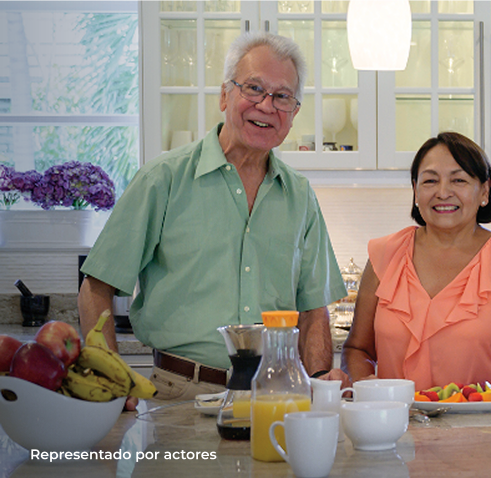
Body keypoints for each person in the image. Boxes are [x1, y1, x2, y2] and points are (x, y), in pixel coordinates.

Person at [79, 32, 346, 407]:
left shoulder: (300, 196)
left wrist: (318, 377)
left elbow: (314, 309)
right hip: (180, 393)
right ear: (225, 96)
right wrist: (109, 375)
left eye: (282, 96)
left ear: (294, 112)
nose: (266, 106)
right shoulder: (164, 179)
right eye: (253, 88)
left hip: (277, 395)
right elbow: (96, 287)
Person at [341, 132, 491, 391]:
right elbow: (357, 349)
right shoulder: (385, 257)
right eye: (430, 181)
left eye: (458, 180)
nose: (443, 192)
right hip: (396, 426)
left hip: (487, 428)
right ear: (415, 191)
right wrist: (364, 385)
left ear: (484, 191)